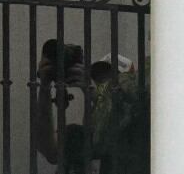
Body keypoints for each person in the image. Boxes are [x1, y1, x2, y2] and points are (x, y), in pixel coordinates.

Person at [34, 40, 149, 174]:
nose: (103, 88)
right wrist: (45, 88)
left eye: (112, 83)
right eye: (99, 81)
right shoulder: (84, 134)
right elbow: (50, 150)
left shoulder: (140, 136)